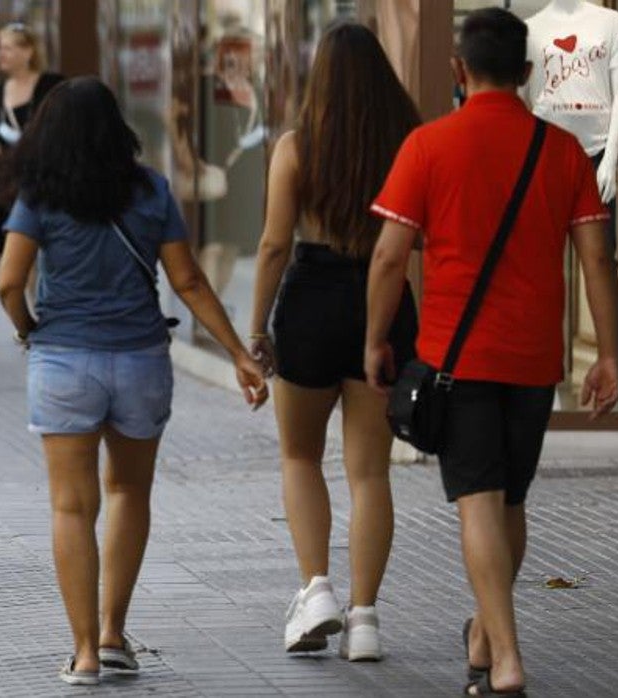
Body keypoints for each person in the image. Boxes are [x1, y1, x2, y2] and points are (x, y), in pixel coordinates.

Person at [366, 8, 618, 695]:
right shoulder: (562, 152)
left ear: (458, 70)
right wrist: (609, 355)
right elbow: (597, 258)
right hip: (535, 361)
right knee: (509, 503)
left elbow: (389, 257)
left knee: (479, 502)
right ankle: (483, 635)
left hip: (458, 358)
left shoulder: (428, 145)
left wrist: (375, 340)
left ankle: (505, 659)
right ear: (530, 74)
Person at [0, 77, 268, 686]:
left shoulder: (40, 193)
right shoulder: (152, 190)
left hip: (63, 358)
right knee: (128, 494)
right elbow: (190, 281)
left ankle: (85, 653)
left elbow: (9, 282)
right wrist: (238, 356)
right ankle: (116, 634)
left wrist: (27, 329)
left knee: (72, 506)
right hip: (142, 358)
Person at [247, 22, 421, 661]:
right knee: (369, 471)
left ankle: (316, 588)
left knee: (299, 456)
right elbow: (420, 238)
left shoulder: (298, 147)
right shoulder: (407, 143)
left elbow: (271, 245)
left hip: (312, 300)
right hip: (385, 298)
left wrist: (255, 327)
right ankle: (366, 618)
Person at [0, 22, 62, 254]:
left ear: (28, 52)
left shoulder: (51, 85)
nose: (1, 54)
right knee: (14, 256)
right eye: (0, 48)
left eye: (8, 48)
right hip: (9, 188)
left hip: (45, 183)